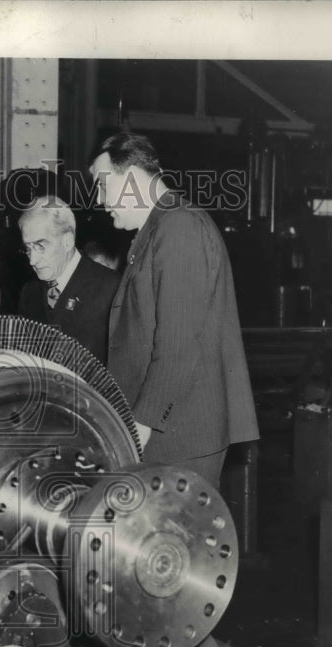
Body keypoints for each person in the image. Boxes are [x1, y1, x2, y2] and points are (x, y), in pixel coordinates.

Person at [89, 132, 258, 487]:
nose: (100, 201)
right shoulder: (159, 229)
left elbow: (178, 344)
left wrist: (141, 427)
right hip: (167, 430)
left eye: (103, 186)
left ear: (133, 178)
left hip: (177, 435)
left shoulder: (179, 228)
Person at [16, 195, 120, 364]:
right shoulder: (30, 293)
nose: (32, 260)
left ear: (67, 241)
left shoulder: (111, 288)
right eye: (27, 249)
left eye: (40, 246)